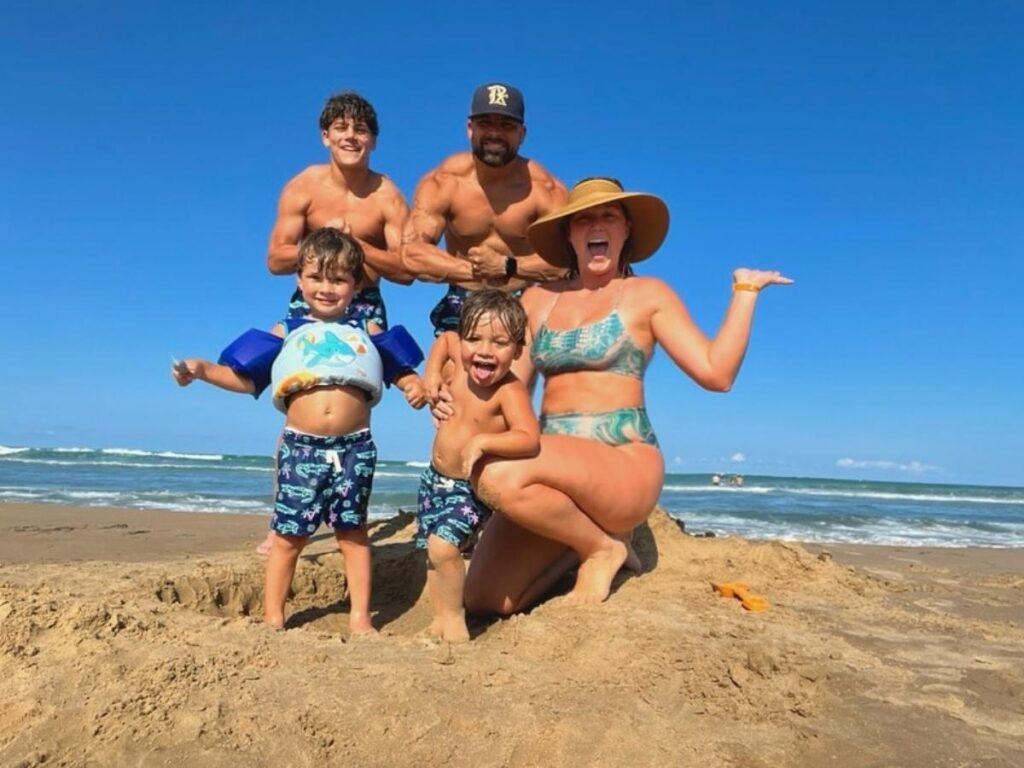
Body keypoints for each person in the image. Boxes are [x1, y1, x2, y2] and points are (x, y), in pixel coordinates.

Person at [439, 177, 792, 614]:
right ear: (568, 234)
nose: (596, 226)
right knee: (485, 599)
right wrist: (452, 397)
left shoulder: (647, 295)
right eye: (583, 219)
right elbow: (505, 384)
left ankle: (602, 549)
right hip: (555, 473)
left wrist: (745, 292)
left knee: (496, 473)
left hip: (624, 462)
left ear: (627, 231)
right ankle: (596, 541)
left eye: (608, 217)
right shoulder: (537, 300)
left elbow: (716, 374)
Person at [173, 229, 423, 633]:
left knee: (354, 533)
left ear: (357, 283)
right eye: (317, 278)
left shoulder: (368, 328)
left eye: (339, 279)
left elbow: (402, 370)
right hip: (300, 448)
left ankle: (360, 617)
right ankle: (274, 617)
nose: (327, 288)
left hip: (354, 448)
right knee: (289, 536)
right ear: (299, 280)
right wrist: (202, 369)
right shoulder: (286, 330)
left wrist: (415, 386)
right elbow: (246, 378)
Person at [401, 82, 568, 384]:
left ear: (522, 133)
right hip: (462, 294)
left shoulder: (545, 191)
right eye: (485, 123)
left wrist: (507, 267)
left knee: (511, 398)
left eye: (506, 124)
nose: (495, 132)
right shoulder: (444, 182)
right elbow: (412, 253)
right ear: (469, 128)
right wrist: (475, 270)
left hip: (523, 297)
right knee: (453, 398)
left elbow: (569, 260)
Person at [267, 91, 424, 408]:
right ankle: (291, 457)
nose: (351, 137)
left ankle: (353, 456)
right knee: (299, 392)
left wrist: (357, 247)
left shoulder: (387, 196)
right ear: (326, 136)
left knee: (357, 396)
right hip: (312, 302)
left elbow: (408, 271)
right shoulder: (304, 186)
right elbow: (275, 258)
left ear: (374, 141)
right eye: (341, 127)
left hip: (365, 303)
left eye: (361, 130)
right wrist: (323, 246)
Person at [417, 289, 539, 642]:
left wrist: (485, 441)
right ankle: (439, 619)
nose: (483, 350)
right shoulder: (457, 355)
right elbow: (444, 340)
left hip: (468, 489)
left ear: (517, 351)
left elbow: (528, 437)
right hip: (433, 479)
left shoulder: (508, 391)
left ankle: (455, 620)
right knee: (432, 552)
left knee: (444, 548)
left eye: (499, 342)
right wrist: (431, 377)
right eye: (474, 339)